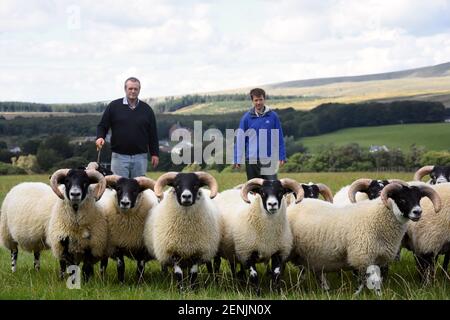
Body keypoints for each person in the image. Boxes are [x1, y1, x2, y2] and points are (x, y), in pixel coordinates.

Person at [96, 77, 159, 178]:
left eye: (135, 89)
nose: (133, 91)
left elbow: (153, 134)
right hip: (119, 157)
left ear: (139, 90)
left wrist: (155, 153)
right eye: (130, 88)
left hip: (140, 158)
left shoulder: (147, 110)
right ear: (125, 89)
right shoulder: (114, 106)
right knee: (118, 188)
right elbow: (102, 125)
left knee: (139, 190)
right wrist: (100, 137)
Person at [233, 88, 286, 180]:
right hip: (251, 160)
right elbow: (240, 140)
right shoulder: (246, 118)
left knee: (272, 187)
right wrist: (237, 158)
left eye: (260, 99)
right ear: (252, 101)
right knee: (254, 191)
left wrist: (282, 155)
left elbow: (279, 138)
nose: (258, 103)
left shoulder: (273, 116)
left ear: (264, 99)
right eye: (256, 100)